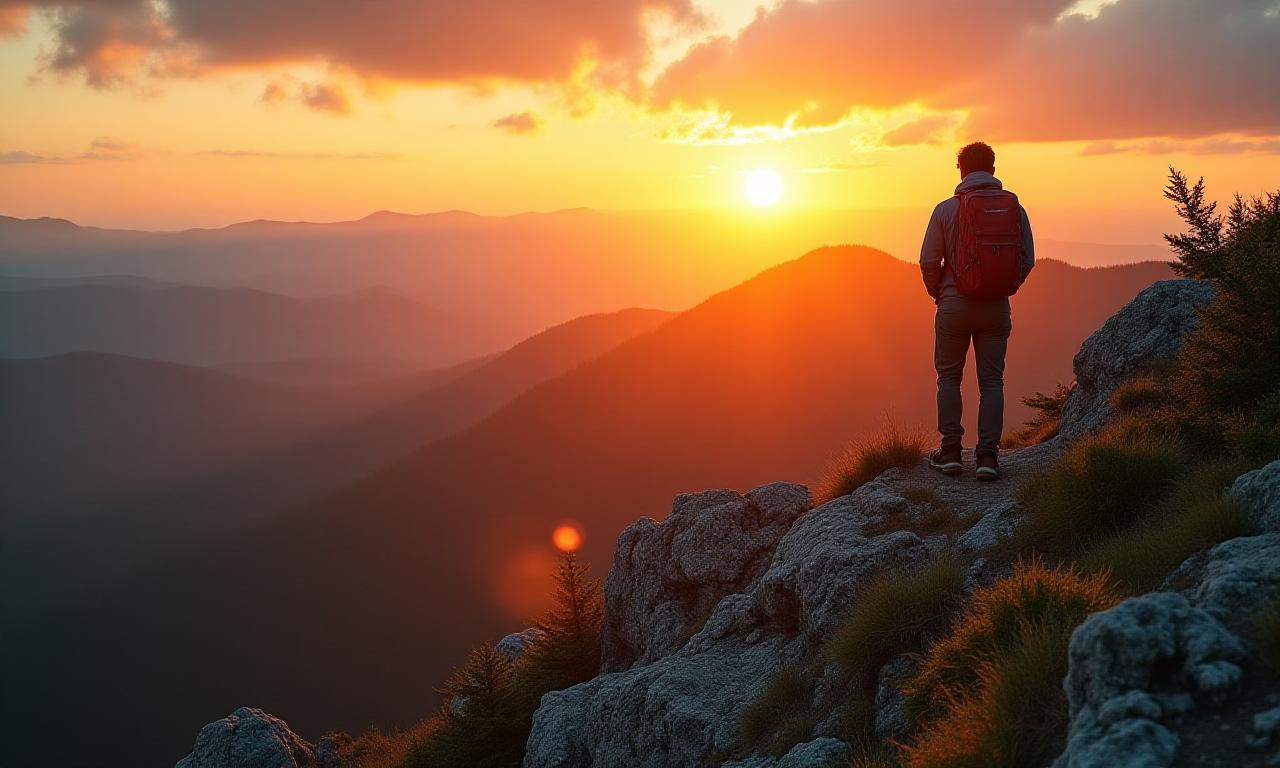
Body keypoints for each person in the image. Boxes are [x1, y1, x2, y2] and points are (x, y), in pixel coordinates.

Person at [919, 142, 1035, 480]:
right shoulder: (1016, 208)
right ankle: (987, 458)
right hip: (996, 308)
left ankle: (951, 452)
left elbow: (929, 261)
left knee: (949, 377)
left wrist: (938, 293)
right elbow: (1026, 260)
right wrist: (1003, 289)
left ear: (961, 171)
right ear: (993, 170)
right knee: (992, 382)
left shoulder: (945, 210)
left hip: (953, 305)